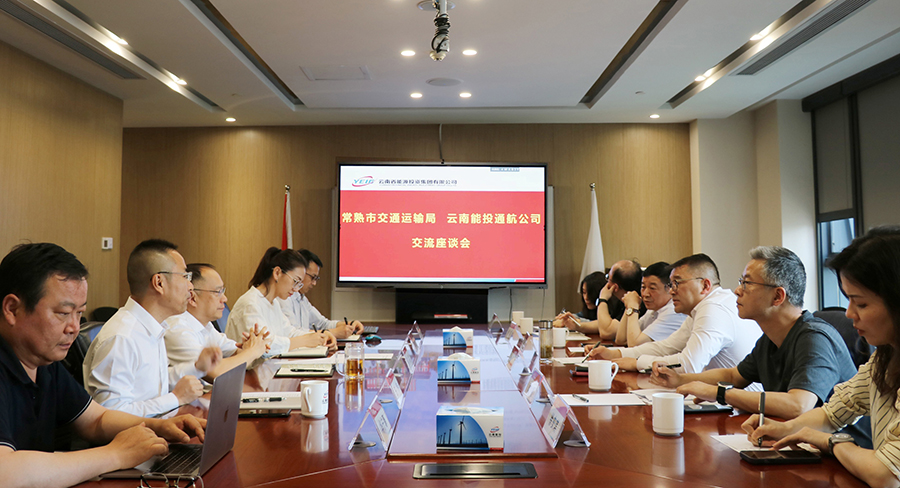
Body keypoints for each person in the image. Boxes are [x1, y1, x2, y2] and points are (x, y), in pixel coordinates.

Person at [0, 243, 205, 488]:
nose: (74, 327)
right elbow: (4, 471)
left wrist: (159, 426)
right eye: (63, 313)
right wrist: (114, 454)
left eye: (79, 314)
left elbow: (96, 419)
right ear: (12, 309)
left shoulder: (44, 362)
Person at [744, 227, 900, 488]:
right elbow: (833, 413)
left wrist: (833, 442)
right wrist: (786, 429)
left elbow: (886, 475)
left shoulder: (813, 334)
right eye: (848, 300)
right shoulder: (885, 357)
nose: (849, 314)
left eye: (861, 303)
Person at [651, 247, 858, 420]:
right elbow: (734, 376)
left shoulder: (815, 338)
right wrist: (680, 380)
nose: (737, 290)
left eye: (747, 283)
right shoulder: (770, 338)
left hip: (840, 450)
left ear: (777, 296)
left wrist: (719, 393)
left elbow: (798, 405)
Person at [84, 239, 221, 417]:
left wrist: (197, 367)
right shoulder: (122, 337)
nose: (191, 286)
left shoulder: (153, 326)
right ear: (159, 283)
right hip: (137, 434)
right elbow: (110, 415)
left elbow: (152, 385)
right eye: (185, 277)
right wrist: (175, 398)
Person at [588, 253, 760, 373]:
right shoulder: (703, 308)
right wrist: (616, 354)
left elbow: (688, 365)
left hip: (742, 409)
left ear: (705, 286)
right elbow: (667, 347)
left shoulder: (713, 309)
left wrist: (637, 363)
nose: (671, 291)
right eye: (671, 285)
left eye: (677, 283)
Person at [165, 263, 271, 380]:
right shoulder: (177, 329)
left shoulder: (205, 325)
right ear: (193, 298)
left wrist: (253, 344)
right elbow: (214, 371)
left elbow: (236, 352)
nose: (224, 299)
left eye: (223, 291)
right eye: (218, 292)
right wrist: (252, 351)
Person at [226, 247, 335, 356]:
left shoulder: (274, 303)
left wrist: (321, 336)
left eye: (299, 284)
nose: (296, 289)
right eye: (295, 281)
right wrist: (305, 341)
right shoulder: (250, 304)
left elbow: (289, 332)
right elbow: (264, 346)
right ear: (277, 273)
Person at [276, 249, 363, 338]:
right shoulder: (283, 297)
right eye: (312, 277)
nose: (314, 283)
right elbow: (293, 333)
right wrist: (334, 333)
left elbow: (322, 323)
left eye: (316, 279)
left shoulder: (302, 298)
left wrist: (350, 324)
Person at [558, 260, 643, 340]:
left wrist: (602, 299)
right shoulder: (623, 301)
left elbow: (606, 332)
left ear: (615, 287)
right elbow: (605, 324)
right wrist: (577, 326)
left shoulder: (638, 303)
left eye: (607, 278)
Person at [614, 261, 686, 346]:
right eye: (643, 287)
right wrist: (628, 307)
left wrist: (633, 307)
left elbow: (634, 344)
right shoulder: (654, 309)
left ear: (669, 288)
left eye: (652, 288)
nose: (645, 294)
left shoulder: (673, 312)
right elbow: (620, 340)